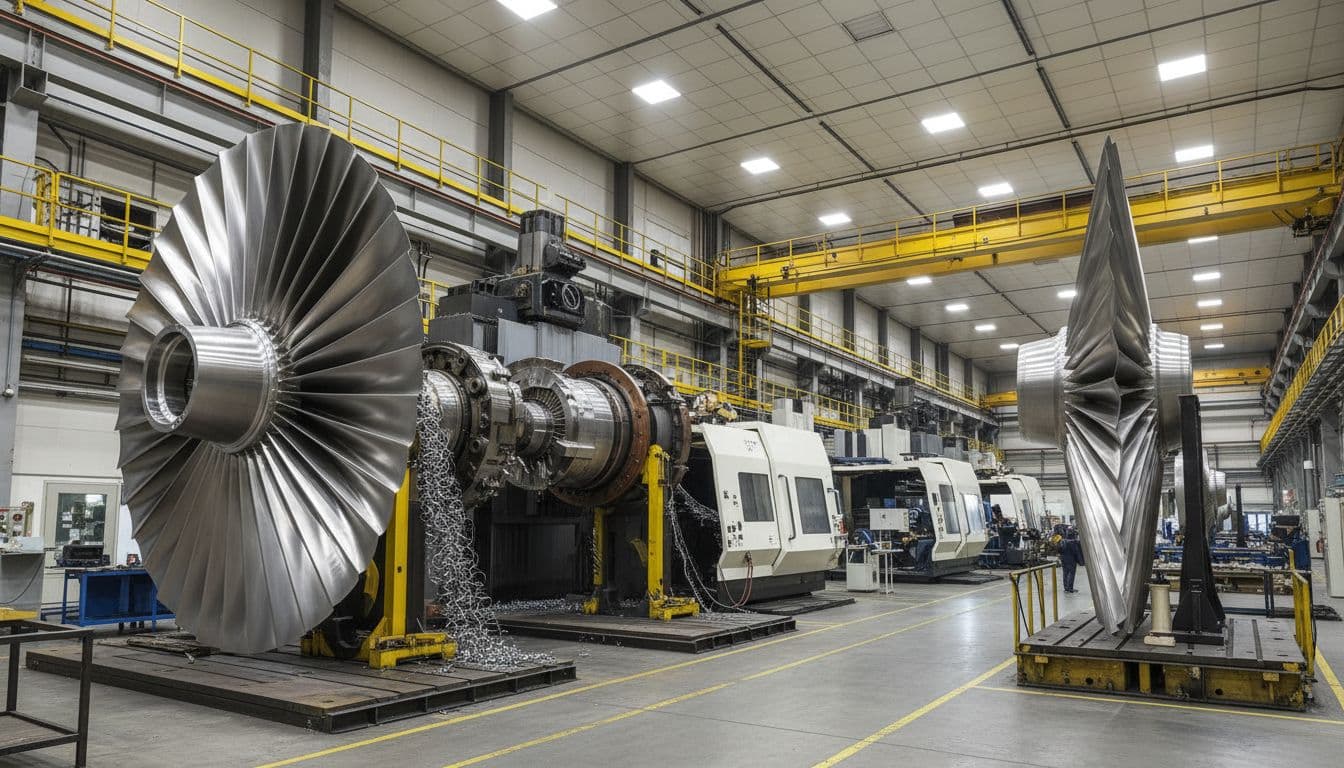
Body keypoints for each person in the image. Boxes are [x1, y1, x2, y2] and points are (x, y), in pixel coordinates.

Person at [1059, 529, 1085, 593]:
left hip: (1063, 559)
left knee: (1065, 573)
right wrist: (1080, 561)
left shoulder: (1063, 541)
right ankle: (1070, 588)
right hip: (1071, 560)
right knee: (1071, 573)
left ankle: (1066, 588)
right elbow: (1076, 552)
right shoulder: (1073, 542)